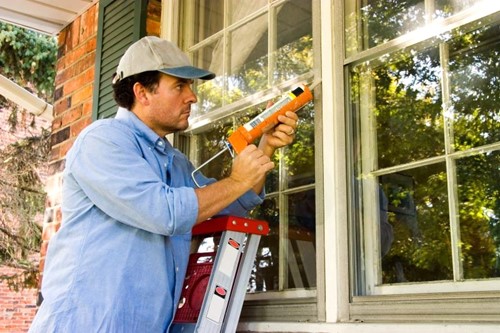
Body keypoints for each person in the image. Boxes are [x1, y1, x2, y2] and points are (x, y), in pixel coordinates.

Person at [29, 36, 299, 332]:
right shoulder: (103, 141)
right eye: (180, 86)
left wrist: (266, 147)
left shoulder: (175, 162)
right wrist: (236, 180)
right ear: (142, 92)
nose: (192, 97)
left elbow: (232, 203)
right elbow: (165, 212)